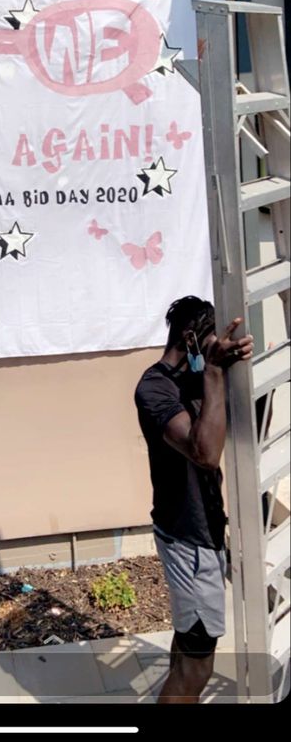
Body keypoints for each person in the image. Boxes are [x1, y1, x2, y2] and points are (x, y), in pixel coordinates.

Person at [134, 295, 253, 704]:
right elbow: (204, 452)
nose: (218, 346)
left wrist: (241, 371)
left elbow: (239, 432)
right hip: (189, 538)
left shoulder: (196, 379)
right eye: (212, 340)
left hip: (201, 532)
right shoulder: (155, 387)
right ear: (190, 338)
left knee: (188, 640)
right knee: (199, 665)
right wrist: (216, 373)